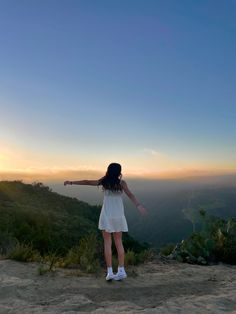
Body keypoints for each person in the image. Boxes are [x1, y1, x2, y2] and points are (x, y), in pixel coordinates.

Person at [64, 162, 147, 281]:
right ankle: (121, 270)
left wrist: (71, 182)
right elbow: (130, 195)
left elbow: (87, 182)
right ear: (119, 172)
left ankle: (110, 272)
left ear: (108, 170)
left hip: (107, 216)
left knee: (107, 243)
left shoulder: (104, 181)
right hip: (118, 216)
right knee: (119, 243)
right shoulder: (121, 183)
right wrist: (138, 205)